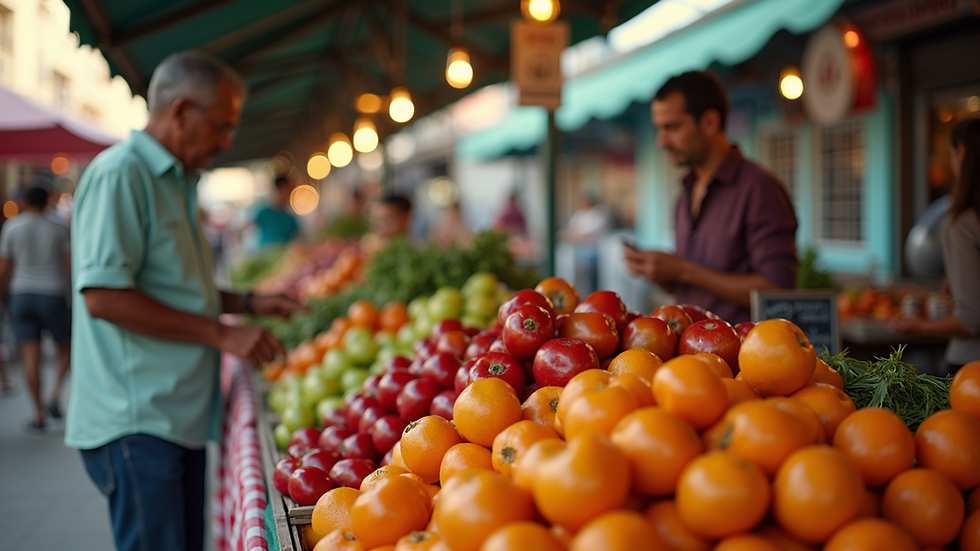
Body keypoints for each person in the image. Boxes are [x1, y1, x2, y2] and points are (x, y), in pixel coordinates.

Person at [65, 51, 305, 551]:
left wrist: (249, 301)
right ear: (180, 112)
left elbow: (174, 287)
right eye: (221, 125)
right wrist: (222, 331)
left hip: (174, 415)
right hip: (137, 420)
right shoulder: (121, 175)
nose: (227, 141)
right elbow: (105, 298)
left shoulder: (178, 181)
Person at [623, 70, 798, 324]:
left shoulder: (759, 187)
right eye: (659, 129)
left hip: (740, 356)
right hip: (687, 352)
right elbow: (696, 286)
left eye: (671, 127)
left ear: (709, 123)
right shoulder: (685, 194)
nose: (661, 141)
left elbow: (777, 290)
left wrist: (684, 268)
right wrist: (663, 272)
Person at [893, 118, 980, 370]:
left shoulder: (962, 221)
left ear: (960, 152)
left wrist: (920, 327)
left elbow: (971, 318)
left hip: (971, 366)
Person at [0, 185, 72, 430]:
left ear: (24, 201)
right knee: (67, 346)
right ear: (48, 200)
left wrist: (5, 299)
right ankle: (53, 395)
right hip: (53, 293)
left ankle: (38, 414)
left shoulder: (12, 227)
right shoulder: (60, 226)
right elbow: (70, 266)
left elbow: (4, 269)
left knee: (31, 356)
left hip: (21, 293)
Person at [252, 175, 300, 249]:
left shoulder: (291, 218)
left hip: (284, 257)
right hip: (264, 254)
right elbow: (246, 227)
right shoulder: (264, 212)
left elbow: (298, 239)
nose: (287, 195)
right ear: (277, 189)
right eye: (285, 191)